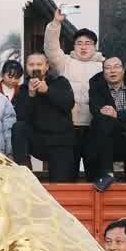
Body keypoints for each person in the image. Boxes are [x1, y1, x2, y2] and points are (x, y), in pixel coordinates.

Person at [44, 15, 102, 165]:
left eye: (88, 43)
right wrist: (56, 23)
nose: (83, 47)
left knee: (93, 173)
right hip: (69, 127)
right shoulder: (65, 62)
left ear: (95, 46)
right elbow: (51, 48)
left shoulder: (104, 66)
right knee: (69, 171)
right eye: (79, 43)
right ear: (74, 46)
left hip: (93, 128)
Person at [86, 55, 126, 186]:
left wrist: (117, 115)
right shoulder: (96, 88)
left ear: (123, 69)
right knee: (102, 125)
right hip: (109, 137)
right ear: (103, 72)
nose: (112, 71)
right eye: (108, 68)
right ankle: (107, 173)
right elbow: (98, 114)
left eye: (116, 67)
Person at [12, 51, 78, 180]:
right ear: (26, 67)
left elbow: (68, 103)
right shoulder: (23, 89)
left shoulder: (60, 82)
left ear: (47, 67)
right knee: (18, 127)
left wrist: (48, 91)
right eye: (31, 64)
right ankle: (23, 172)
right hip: (38, 141)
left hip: (61, 142)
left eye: (39, 64)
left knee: (60, 186)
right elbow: (22, 118)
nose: (35, 68)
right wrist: (31, 95)